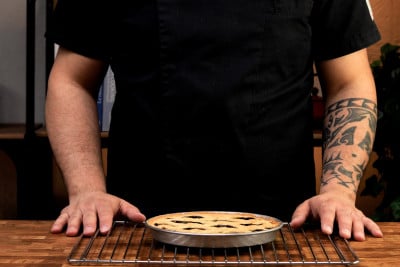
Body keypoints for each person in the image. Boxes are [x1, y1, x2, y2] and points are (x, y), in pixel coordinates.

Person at [45, 0, 384, 241]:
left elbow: (347, 83)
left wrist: (339, 192)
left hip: (285, 228)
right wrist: (86, 191)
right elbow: (72, 81)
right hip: (138, 224)